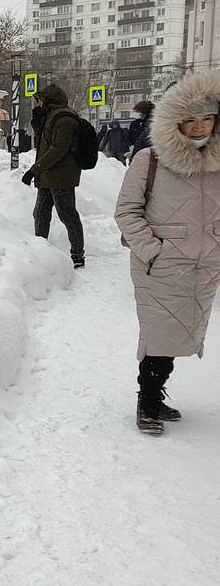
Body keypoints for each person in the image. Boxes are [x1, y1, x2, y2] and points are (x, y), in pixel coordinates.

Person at [113, 72, 220, 435]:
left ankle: (156, 397)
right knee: (159, 334)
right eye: (190, 118)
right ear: (176, 120)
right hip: (160, 264)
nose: (199, 125)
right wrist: (151, 250)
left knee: (184, 331)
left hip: (206, 264)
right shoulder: (150, 159)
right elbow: (127, 210)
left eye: (207, 117)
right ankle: (147, 401)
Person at [22, 84, 85, 268]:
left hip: (62, 176)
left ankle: (77, 255)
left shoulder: (65, 119)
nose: (38, 103)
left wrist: (35, 169)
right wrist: (37, 122)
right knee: (40, 213)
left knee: (67, 215)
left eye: (40, 100)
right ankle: (42, 251)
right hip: (48, 175)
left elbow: (58, 149)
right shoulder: (51, 116)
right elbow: (45, 140)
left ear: (50, 101)